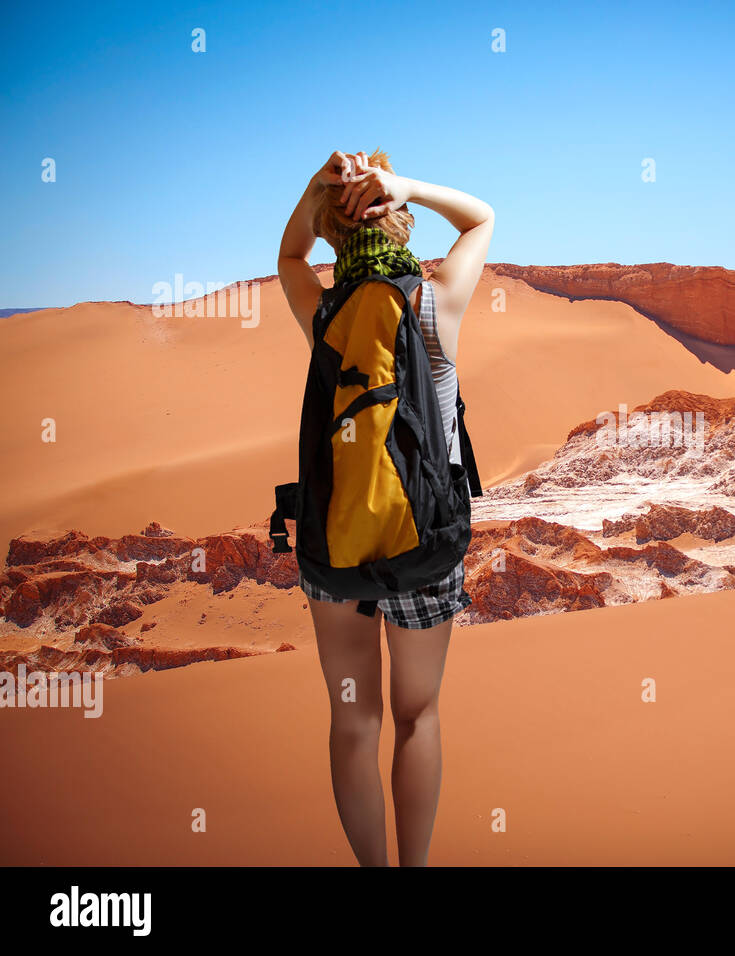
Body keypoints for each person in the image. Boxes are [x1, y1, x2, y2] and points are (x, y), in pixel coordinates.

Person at [277, 149, 494, 866]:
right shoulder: (435, 303)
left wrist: (321, 189)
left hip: (335, 547)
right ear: (399, 223)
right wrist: (407, 187)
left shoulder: (324, 312)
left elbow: (289, 253)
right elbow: (482, 217)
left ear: (337, 237)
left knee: (352, 720)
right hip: (423, 546)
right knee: (417, 713)